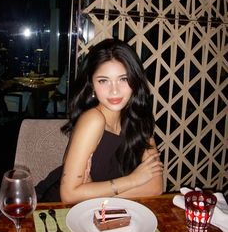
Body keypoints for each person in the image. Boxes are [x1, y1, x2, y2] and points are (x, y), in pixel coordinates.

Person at [60, 38, 163, 204]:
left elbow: (156, 187)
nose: (114, 90)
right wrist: (133, 181)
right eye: (103, 80)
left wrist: (93, 192)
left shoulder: (138, 117)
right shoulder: (93, 120)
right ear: (92, 84)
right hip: (62, 210)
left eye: (123, 79)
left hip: (103, 210)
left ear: (134, 81)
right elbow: (69, 196)